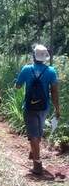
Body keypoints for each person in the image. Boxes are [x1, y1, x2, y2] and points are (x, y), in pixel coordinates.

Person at [15, 44, 60, 175]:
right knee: (38, 131)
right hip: (44, 107)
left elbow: (18, 86)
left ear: (34, 56)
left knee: (33, 134)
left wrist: (16, 82)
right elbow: (55, 92)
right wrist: (57, 109)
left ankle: (37, 164)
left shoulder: (26, 69)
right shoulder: (51, 71)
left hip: (29, 107)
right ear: (45, 57)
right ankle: (34, 152)